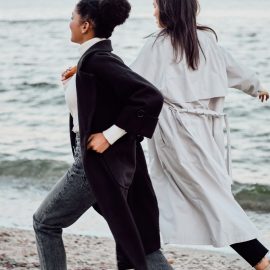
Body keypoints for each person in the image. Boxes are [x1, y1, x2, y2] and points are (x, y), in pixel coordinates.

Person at [32, 0, 174, 269]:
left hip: (94, 166)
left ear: (85, 26)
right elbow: (110, 99)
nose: (69, 22)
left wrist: (109, 135)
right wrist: (75, 79)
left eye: (72, 17)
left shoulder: (97, 61)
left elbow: (150, 96)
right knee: (141, 242)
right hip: (114, 164)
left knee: (45, 223)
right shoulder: (93, 61)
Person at [129, 0, 270, 269]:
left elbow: (130, 79)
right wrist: (257, 87)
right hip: (208, 130)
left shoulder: (160, 43)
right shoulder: (206, 40)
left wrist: (92, 71)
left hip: (176, 133)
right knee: (178, 191)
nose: (153, 11)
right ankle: (148, 252)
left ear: (169, 10)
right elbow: (237, 71)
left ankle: (260, 259)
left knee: (208, 195)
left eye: (156, 6)